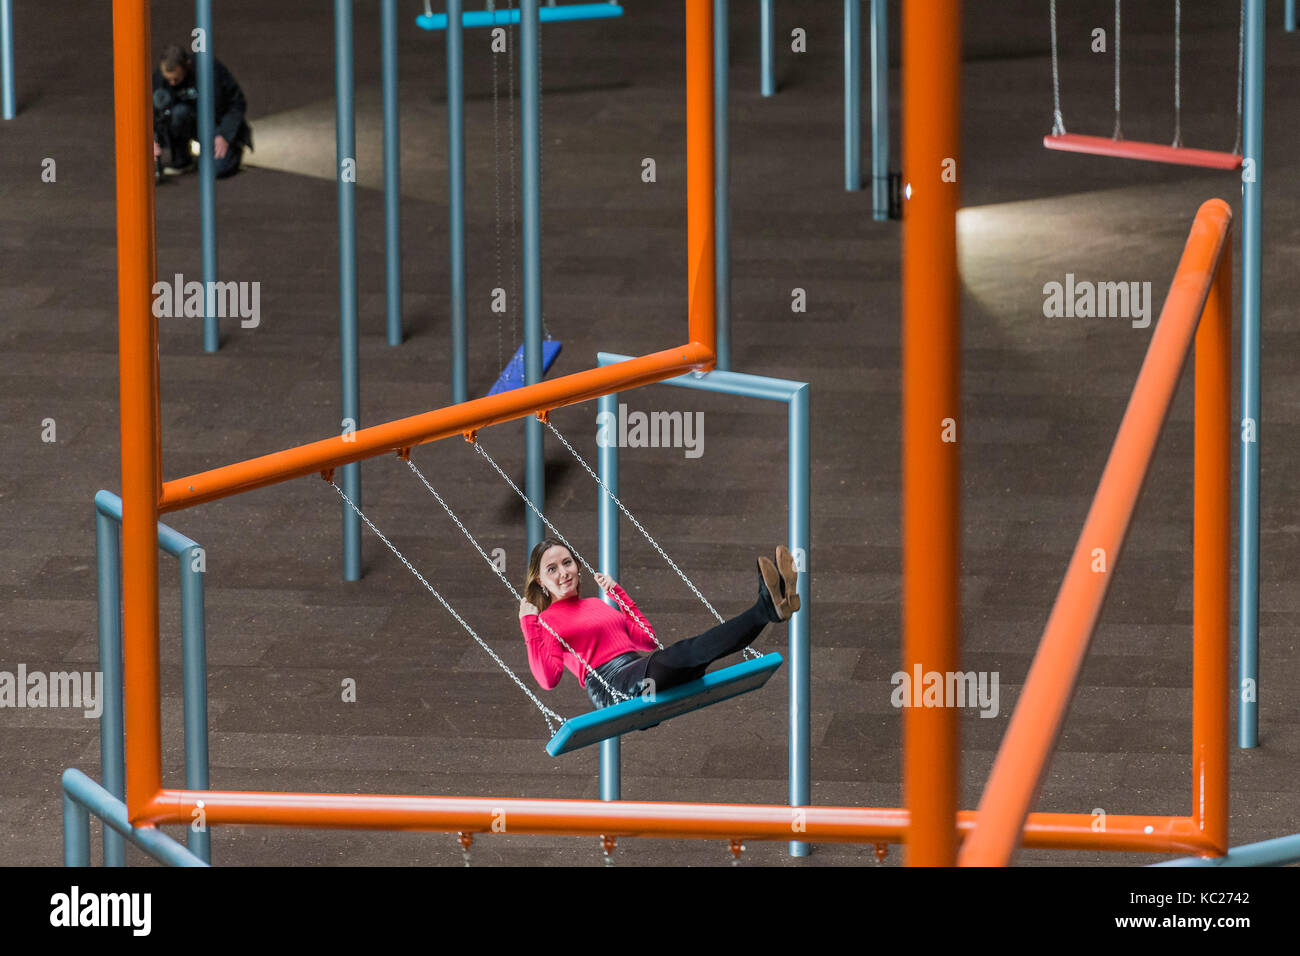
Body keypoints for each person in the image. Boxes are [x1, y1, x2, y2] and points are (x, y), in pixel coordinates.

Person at [518, 539, 799, 710]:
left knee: (701, 653)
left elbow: (647, 641)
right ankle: (767, 607)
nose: (563, 573)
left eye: (567, 563)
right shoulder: (547, 621)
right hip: (614, 687)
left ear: (578, 566)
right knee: (690, 651)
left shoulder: (595, 604)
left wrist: (619, 595)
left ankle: (770, 608)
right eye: (551, 569)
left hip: (637, 670)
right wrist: (529, 625)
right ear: (540, 581)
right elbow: (547, 680)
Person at [152, 44, 252, 180]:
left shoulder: (211, 71)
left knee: (218, 169)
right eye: (169, 79)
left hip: (217, 124)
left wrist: (225, 134)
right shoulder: (160, 79)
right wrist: (152, 139)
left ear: (187, 66)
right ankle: (181, 159)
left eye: (176, 79)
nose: (172, 83)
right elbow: (151, 112)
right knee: (177, 114)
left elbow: (237, 103)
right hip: (190, 120)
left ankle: (233, 150)